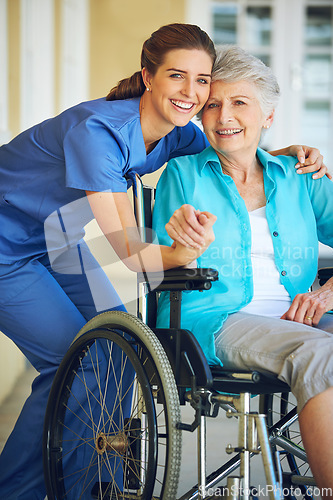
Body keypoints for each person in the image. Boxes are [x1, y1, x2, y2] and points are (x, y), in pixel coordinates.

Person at [0, 22, 327, 499]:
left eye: (201, 80)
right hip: (7, 247)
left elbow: (232, 148)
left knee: (118, 345)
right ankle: (22, 490)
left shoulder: (175, 134)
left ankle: (84, 480)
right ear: (148, 76)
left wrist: (283, 153)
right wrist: (182, 251)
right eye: (178, 76)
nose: (192, 93)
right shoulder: (98, 133)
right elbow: (133, 254)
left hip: (56, 240)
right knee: (75, 360)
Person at [153, 45, 333, 497]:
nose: (223, 115)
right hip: (214, 319)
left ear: (267, 117)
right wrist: (183, 242)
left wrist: (327, 294)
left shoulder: (299, 175)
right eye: (212, 104)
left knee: (315, 344)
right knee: (317, 352)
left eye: (239, 103)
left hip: (297, 319)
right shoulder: (184, 174)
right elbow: (164, 256)